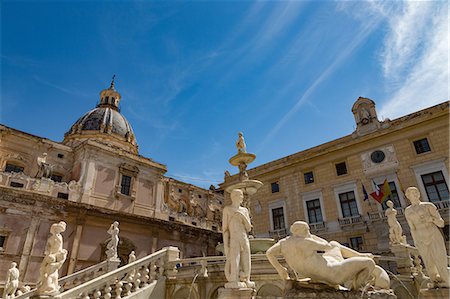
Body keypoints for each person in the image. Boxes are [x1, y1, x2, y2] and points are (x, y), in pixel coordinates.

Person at [266, 221, 375, 290]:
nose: (309, 232)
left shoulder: (283, 242)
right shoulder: (307, 242)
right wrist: (311, 236)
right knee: (369, 263)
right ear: (303, 231)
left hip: (318, 273)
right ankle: (356, 288)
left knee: (334, 244)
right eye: (307, 230)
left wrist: (280, 268)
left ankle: (360, 255)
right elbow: (327, 246)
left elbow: (269, 253)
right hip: (335, 274)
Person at [404, 187, 449, 288]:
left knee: (440, 259)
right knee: (428, 262)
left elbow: (441, 223)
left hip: (433, 235)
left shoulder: (428, 206)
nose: (415, 194)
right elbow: (412, 228)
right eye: (412, 193)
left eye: (416, 192)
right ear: (407, 196)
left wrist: (431, 219)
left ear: (419, 194)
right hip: (421, 238)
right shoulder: (408, 211)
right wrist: (416, 241)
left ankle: (447, 281)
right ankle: (435, 281)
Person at [222, 189, 254, 288]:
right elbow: (225, 229)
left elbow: (249, 228)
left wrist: (242, 216)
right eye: (240, 196)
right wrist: (226, 246)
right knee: (235, 259)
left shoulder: (244, 210)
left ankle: (247, 279)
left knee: (246, 258)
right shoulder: (227, 209)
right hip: (234, 238)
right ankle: (234, 279)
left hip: (244, 237)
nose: (242, 198)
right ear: (234, 196)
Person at [37, 221, 68, 295]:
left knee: (53, 273)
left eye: (60, 229)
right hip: (51, 254)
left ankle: (49, 287)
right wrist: (48, 253)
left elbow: (60, 247)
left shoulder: (60, 237)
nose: (59, 230)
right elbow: (48, 247)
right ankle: (44, 284)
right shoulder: (51, 237)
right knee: (43, 269)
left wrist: (62, 252)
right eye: (58, 229)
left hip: (56, 254)